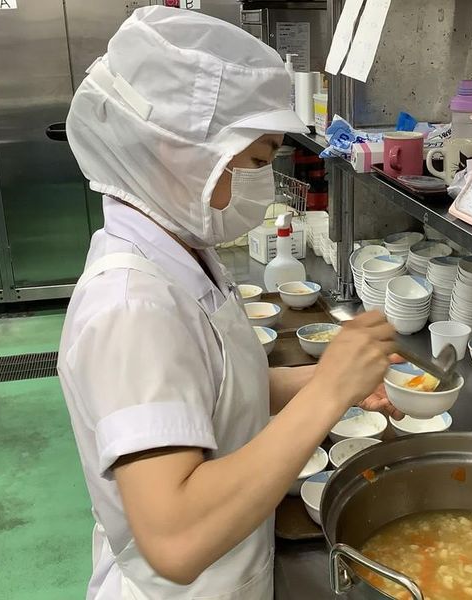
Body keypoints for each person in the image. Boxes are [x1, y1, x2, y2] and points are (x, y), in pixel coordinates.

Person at [58, 7, 399, 599]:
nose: (259, 183)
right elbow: (176, 537)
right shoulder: (132, 306)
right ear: (179, 150)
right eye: (257, 160)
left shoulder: (181, 249)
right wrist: (324, 393)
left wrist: (337, 381)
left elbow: (219, 389)